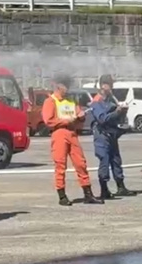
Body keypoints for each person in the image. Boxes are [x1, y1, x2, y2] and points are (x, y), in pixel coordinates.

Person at [41, 75, 102, 206]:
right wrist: (66, 121)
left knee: (81, 163)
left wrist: (80, 117)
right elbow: (48, 121)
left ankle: (88, 194)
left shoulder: (71, 101)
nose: (67, 89)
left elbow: (79, 116)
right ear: (58, 86)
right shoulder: (50, 101)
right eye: (65, 86)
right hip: (59, 133)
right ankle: (62, 196)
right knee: (60, 164)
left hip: (72, 133)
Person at [88, 75, 134, 199]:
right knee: (104, 160)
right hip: (102, 136)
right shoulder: (96, 102)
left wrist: (123, 112)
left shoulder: (111, 99)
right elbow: (102, 119)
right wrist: (117, 112)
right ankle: (104, 189)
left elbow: (115, 116)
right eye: (110, 84)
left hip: (112, 134)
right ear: (103, 85)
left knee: (116, 160)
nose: (112, 87)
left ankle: (121, 186)